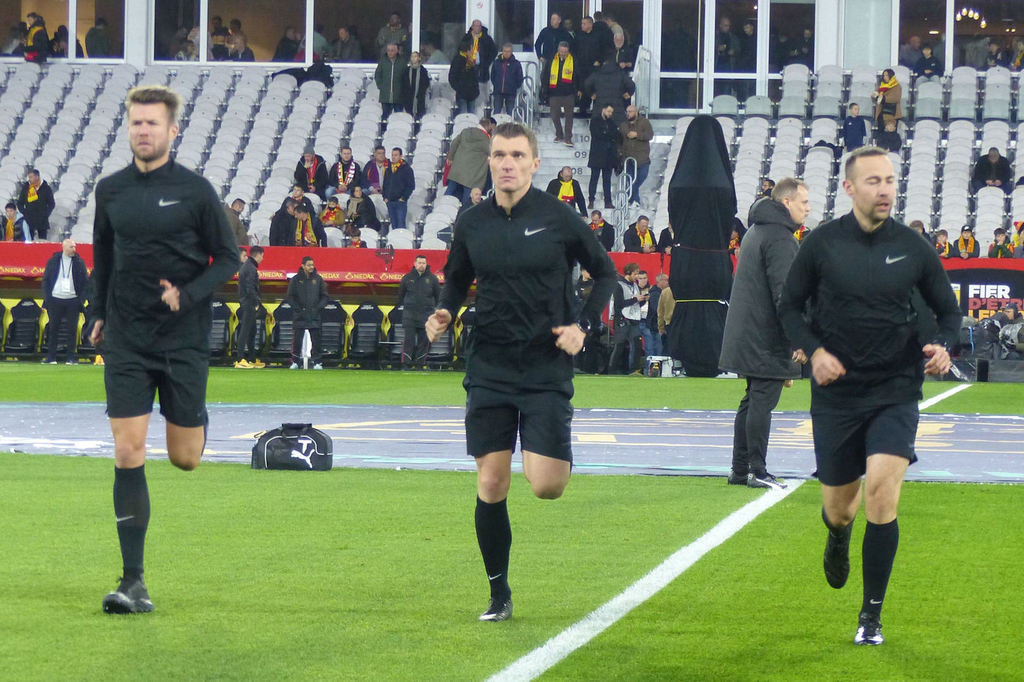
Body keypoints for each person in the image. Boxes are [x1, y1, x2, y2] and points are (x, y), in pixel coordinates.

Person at [425, 122, 616, 622]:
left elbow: (606, 273)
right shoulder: (472, 222)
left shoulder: (560, 217)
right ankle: (498, 594)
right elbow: (457, 279)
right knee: (491, 483)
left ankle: (551, 448)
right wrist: (445, 311)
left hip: (545, 367)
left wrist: (583, 326)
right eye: (499, 155)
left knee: (546, 486)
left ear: (534, 163)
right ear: (488, 162)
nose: (507, 163)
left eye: (516, 155)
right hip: (489, 365)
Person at [778, 146, 960, 646]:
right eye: (874, 181)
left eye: (890, 180)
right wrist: (814, 351)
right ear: (850, 188)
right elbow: (789, 308)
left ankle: (871, 616)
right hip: (836, 394)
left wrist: (943, 346)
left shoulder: (914, 246)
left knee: (882, 493)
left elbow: (948, 312)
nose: (884, 190)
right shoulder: (821, 244)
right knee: (841, 509)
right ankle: (837, 535)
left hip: (895, 390)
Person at [90, 85, 239, 614]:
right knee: (127, 450)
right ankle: (133, 581)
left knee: (184, 458)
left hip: (182, 339)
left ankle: (195, 417)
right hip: (128, 338)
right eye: (136, 122)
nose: (143, 130)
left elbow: (228, 259)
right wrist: (97, 313)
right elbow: (103, 255)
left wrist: (188, 295)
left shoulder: (196, 192)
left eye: (152, 123)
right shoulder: (110, 191)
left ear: (172, 131)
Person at [720, 178, 810, 489]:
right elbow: (785, 295)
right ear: (786, 202)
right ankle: (757, 471)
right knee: (761, 402)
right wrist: (798, 339)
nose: (808, 209)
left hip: (748, 332)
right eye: (803, 202)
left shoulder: (756, 231)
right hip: (765, 336)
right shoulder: (780, 237)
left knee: (752, 400)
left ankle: (740, 469)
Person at [41, 238, 89, 365]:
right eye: (71, 247)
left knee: (72, 330)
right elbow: (46, 280)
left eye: (75, 247)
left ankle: (71, 358)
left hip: (73, 300)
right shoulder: (53, 261)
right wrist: (48, 298)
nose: (74, 249)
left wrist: (81, 300)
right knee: (53, 329)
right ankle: (51, 357)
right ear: (64, 247)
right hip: (55, 299)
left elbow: (85, 282)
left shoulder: (79, 262)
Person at [396, 254, 440, 367]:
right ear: (415, 264)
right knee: (408, 340)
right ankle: (406, 364)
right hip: (410, 315)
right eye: (419, 263)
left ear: (426, 264)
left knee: (424, 341)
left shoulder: (433, 279)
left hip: (426, 316)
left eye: (423, 263)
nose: (421, 265)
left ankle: (420, 364)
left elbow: (438, 297)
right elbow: (400, 296)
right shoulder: (407, 278)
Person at [287, 256, 328, 370]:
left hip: (314, 315)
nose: (311, 267)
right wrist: (298, 309)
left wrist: (318, 308)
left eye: (312, 265)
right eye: (309, 265)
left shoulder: (318, 279)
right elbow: (290, 297)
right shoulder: (295, 279)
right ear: (303, 266)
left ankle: (317, 362)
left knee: (316, 340)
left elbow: (324, 296)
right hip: (300, 315)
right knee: (297, 340)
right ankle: (295, 361)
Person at [447, 116, 495, 205]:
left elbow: (454, 143)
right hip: (472, 175)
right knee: (467, 199)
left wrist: (450, 157)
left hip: (457, 170)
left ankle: (443, 207)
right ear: (488, 127)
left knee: (449, 192)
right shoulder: (485, 139)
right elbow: (492, 152)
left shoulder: (466, 131)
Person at [609, 262, 645, 374]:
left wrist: (643, 300)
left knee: (637, 345)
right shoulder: (618, 285)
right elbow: (619, 304)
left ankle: (634, 370)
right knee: (619, 346)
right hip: (622, 319)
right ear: (628, 273)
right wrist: (635, 299)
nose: (637, 276)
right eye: (635, 274)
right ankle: (612, 370)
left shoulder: (635, 286)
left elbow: (637, 304)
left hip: (634, 319)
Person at [234, 246, 265, 369]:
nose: (262, 258)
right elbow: (250, 287)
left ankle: (251, 358)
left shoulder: (247, 266)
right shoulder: (250, 268)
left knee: (252, 330)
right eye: (262, 256)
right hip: (249, 303)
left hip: (247, 301)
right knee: (245, 330)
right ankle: (240, 359)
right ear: (258, 255)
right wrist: (256, 302)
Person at [620, 105, 653, 207]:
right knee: (630, 180)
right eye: (627, 111)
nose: (628, 114)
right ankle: (634, 201)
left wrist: (637, 135)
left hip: (643, 158)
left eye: (630, 111)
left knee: (640, 178)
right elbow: (621, 139)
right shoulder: (623, 125)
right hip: (628, 159)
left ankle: (631, 199)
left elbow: (650, 135)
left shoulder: (645, 122)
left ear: (636, 112)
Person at [587, 105, 620, 209]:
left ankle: (608, 201)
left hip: (608, 156)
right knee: (594, 179)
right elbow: (597, 134)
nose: (610, 114)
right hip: (597, 154)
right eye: (609, 111)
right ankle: (591, 200)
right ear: (603, 110)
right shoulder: (595, 121)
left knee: (607, 180)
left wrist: (607, 134)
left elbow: (616, 135)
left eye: (611, 112)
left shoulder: (611, 123)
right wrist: (609, 135)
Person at [583, 59, 635, 124]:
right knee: (618, 127)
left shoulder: (597, 72)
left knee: (599, 126)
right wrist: (628, 94)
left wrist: (591, 94)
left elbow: (587, 83)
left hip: (600, 107)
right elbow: (631, 85)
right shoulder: (620, 73)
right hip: (617, 108)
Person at [547, 42, 578, 146]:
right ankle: (559, 134)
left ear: (568, 51)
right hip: (554, 92)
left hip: (569, 93)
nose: (563, 54)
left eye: (565, 52)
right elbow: (545, 75)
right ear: (558, 50)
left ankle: (568, 138)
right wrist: (545, 90)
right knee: (554, 115)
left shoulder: (573, 60)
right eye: (561, 51)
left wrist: (578, 89)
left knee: (569, 117)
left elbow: (578, 75)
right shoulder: (552, 60)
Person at [17, 169, 55, 241]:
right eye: (29, 177)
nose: (29, 179)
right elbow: (20, 203)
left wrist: (46, 214)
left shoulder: (46, 188)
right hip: (29, 219)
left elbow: (51, 203)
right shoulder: (26, 188)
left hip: (42, 220)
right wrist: (25, 213)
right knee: (29, 241)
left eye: (31, 177)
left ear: (37, 177)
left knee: (43, 242)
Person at [383, 147, 415, 230]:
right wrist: (385, 197)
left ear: (401, 156)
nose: (393, 157)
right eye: (392, 155)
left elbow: (411, 186)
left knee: (401, 225)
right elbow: (385, 184)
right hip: (390, 201)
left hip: (400, 202)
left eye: (396, 155)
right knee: (393, 225)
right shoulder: (388, 169)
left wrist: (403, 198)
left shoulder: (407, 169)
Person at [490, 43, 524, 115]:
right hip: (498, 91)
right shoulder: (496, 62)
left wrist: (514, 86)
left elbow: (520, 77)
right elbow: (493, 76)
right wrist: (496, 84)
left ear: (511, 52)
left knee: (510, 113)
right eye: (505, 51)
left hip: (511, 92)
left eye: (508, 51)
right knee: (496, 112)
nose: (506, 53)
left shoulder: (516, 64)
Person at [449, 37, 481, 114]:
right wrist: (459, 89)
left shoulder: (472, 62)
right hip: (462, 94)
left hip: (472, 94)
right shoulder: (458, 60)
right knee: (463, 114)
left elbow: (475, 77)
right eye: (471, 49)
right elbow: (452, 77)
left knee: (472, 115)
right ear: (467, 50)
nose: (473, 51)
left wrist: (476, 90)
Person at [375, 43, 407, 119]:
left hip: (398, 96)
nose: (390, 52)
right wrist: (381, 86)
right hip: (385, 96)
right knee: (385, 116)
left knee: (398, 117)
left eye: (392, 50)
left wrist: (403, 89)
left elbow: (406, 77)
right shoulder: (383, 61)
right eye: (388, 50)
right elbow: (378, 75)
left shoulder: (402, 62)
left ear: (397, 51)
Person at [403, 51, 430, 120]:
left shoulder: (423, 71)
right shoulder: (407, 70)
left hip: (419, 99)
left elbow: (426, 83)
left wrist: (420, 93)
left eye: (415, 56)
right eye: (412, 56)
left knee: (419, 117)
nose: (413, 58)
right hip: (409, 99)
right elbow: (404, 84)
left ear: (419, 58)